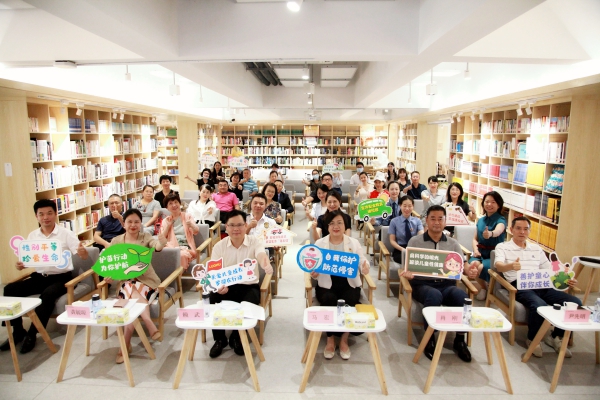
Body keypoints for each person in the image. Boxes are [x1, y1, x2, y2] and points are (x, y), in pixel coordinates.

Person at [1, 199, 88, 354]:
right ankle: (17, 330)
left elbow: (83, 255)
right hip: (40, 277)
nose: (45, 217)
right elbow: (30, 258)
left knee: (47, 295)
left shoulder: (66, 234)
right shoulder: (33, 235)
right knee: (9, 289)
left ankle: (32, 334)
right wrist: (21, 265)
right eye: (41, 214)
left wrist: (82, 252)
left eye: (49, 213)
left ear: (55, 214)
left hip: (62, 278)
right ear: (36, 216)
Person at [494, 217, 581, 358]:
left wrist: (567, 279)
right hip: (520, 284)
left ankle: (556, 337)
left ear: (529, 231)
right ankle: (533, 339)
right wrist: (511, 266)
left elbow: (550, 269)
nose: (522, 232)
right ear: (511, 230)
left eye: (526, 229)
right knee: (539, 305)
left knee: (575, 302)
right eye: (518, 228)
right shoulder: (502, 247)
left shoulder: (536, 248)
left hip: (542, 283)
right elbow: (498, 266)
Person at [399, 205, 474, 363]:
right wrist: (407, 273)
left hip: (447, 285)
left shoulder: (453, 244)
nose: (437, 222)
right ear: (426, 220)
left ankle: (460, 339)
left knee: (463, 297)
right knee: (433, 295)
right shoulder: (415, 241)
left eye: (440, 219)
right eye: (433, 219)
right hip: (422, 284)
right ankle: (429, 338)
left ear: (445, 221)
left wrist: (469, 270)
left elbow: (463, 265)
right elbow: (407, 267)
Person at [208, 210, 273, 358]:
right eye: (232, 225)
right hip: (226, 286)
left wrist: (266, 264)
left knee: (249, 302)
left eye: (239, 225)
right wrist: (218, 286)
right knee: (213, 298)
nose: (235, 229)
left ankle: (237, 337)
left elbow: (261, 254)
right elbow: (214, 272)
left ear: (245, 225)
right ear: (226, 227)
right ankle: (220, 339)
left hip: (248, 286)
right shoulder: (219, 246)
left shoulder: (254, 242)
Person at [108, 209, 167, 363]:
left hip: (147, 282)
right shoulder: (116, 241)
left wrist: (161, 242)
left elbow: (156, 246)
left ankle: (124, 346)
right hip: (124, 283)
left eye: (136, 222)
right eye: (130, 222)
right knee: (130, 286)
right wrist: (109, 276)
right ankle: (148, 321)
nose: (133, 225)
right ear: (124, 223)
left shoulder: (145, 237)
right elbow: (110, 263)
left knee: (131, 293)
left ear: (141, 223)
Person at [312, 210, 370, 360]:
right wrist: (314, 272)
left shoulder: (353, 242)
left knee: (349, 300)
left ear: (345, 226)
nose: (336, 226)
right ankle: (330, 338)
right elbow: (314, 266)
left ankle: (344, 338)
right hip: (326, 284)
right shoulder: (320, 243)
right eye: (332, 223)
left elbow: (362, 260)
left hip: (348, 283)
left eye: (339, 223)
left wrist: (365, 266)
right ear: (327, 226)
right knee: (329, 300)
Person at [468, 191, 506, 300]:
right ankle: (484, 288)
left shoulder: (501, 219)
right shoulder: (481, 220)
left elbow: (499, 230)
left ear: (499, 205)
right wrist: (475, 250)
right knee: (473, 265)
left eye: (493, 202)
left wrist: (491, 233)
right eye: (487, 202)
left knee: (481, 267)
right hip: (480, 252)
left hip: (494, 254)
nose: (489, 204)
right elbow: (475, 239)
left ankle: (489, 290)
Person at [160, 192, 199, 270]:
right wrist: (168, 226)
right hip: (171, 247)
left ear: (179, 203)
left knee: (182, 255)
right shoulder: (166, 220)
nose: (174, 205)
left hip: (186, 248)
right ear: (167, 207)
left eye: (176, 202)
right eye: (170, 203)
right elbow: (162, 239)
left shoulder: (187, 216)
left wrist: (191, 225)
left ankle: (177, 277)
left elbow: (196, 231)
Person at [389, 196, 424, 263]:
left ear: (413, 206)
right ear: (400, 206)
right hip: (400, 249)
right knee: (407, 259)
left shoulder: (417, 221)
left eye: (410, 206)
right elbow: (392, 240)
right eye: (404, 206)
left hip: (414, 248)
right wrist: (403, 249)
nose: (407, 209)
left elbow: (421, 236)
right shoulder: (394, 221)